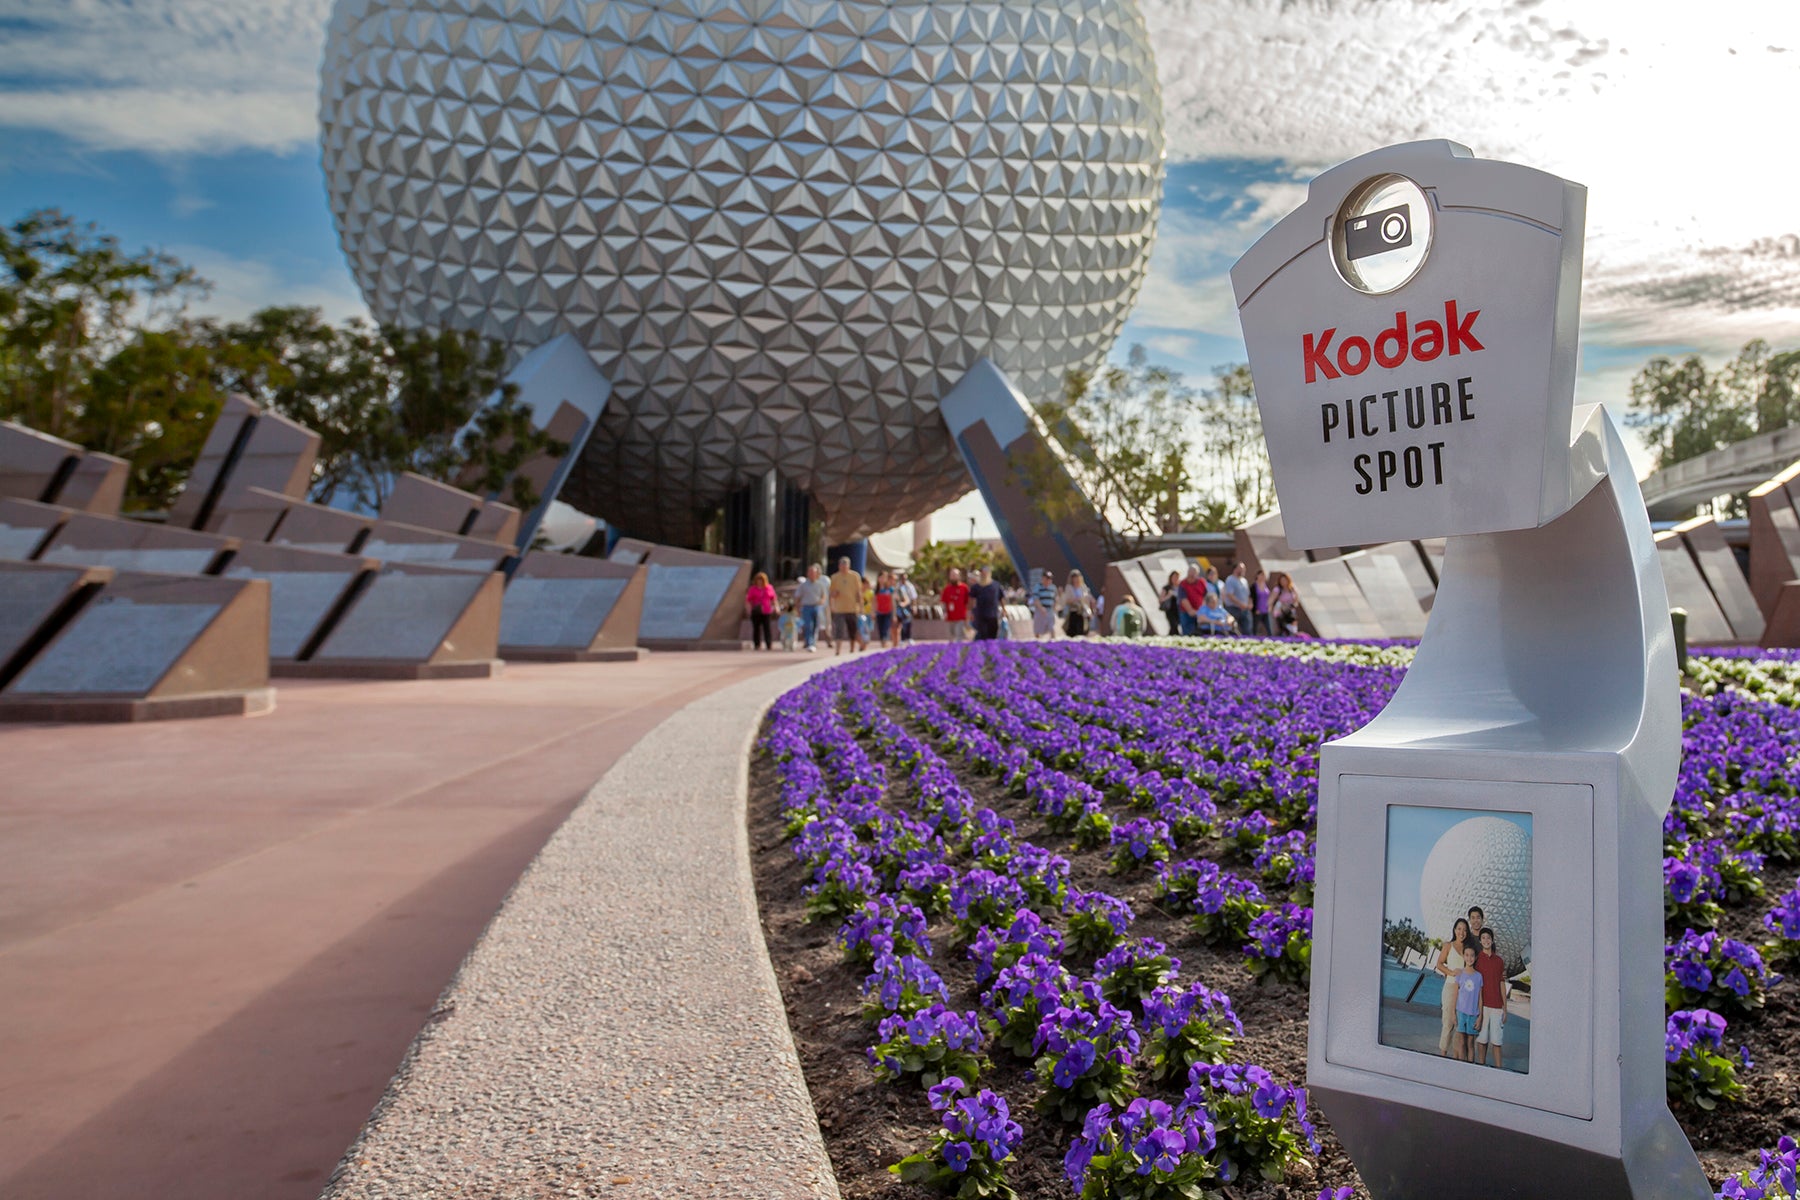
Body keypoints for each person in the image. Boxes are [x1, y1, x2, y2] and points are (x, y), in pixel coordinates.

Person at [1434, 917, 1476, 1056]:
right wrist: (1451, 972)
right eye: (1459, 929)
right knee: (1448, 1022)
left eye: (1464, 930)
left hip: (1464, 991)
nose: (1461, 932)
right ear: (1454, 930)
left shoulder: (1468, 949)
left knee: (1460, 1024)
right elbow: (1439, 964)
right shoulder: (1448, 946)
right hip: (1451, 987)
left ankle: (1457, 1057)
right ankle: (1443, 1054)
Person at [1474, 927, 1510, 1069]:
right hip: (1482, 1006)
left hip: (1496, 1007)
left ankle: (1498, 1069)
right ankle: (1481, 1067)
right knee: (1482, 1040)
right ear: (1480, 940)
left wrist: (1505, 1008)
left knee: (1497, 1041)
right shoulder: (1477, 960)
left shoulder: (1499, 961)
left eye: (1488, 938)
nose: (1486, 940)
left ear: (1492, 940)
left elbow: (1502, 984)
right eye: (1483, 938)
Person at [1453, 943, 1484, 1063]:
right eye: (1467, 955)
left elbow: (1480, 997)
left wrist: (1480, 1016)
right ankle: (1461, 1067)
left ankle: (1470, 1067)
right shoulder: (1460, 974)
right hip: (1461, 1013)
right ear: (1463, 956)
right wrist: (1453, 1013)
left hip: (1473, 1014)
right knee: (1461, 1042)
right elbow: (1455, 995)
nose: (1469, 958)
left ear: (1475, 957)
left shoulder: (1479, 976)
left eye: (1472, 955)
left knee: (1470, 1043)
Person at [828, 556, 864, 657]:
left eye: (845, 565)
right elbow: (831, 593)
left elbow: (859, 592)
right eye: (841, 565)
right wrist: (832, 601)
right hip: (839, 608)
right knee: (839, 629)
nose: (843, 567)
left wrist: (861, 606)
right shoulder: (834, 577)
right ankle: (838, 650)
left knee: (852, 629)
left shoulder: (855, 576)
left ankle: (852, 648)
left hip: (852, 608)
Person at [794, 563, 828, 652]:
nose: (812, 574)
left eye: (814, 572)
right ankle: (809, 643)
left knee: (816, 625)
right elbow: (797, 597)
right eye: (810, 572)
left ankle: (813, 642)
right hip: (806, 607)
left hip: (817, 607)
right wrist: (797, 608)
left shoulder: (820, 585)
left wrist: (822, 601)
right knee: (808, 625)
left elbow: (824, 595)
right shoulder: (803, 585)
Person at [969, 566, 1004, 640]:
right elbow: (971, 599)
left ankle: (991, 650)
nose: (984, 574)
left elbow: (1001, 598)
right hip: (980, 615)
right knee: (982, 635)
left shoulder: (996, 585)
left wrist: (1004, 609)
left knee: (992, 635)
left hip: (993, 615)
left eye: (986, 572)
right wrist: (971, 612)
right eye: (983, 573)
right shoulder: (976, 587)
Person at [745, 571, 777, 651]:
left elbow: (773, 598)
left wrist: (776, 607)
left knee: (767, 628)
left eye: (761, 580)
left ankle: (768, 644)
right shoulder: (753, 589)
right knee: (756, 628)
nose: (760, 582)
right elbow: (748, 600)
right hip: (756, 611)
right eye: (758, 580)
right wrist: (748, 609)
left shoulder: (769, 588)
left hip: (766, 610)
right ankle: (757, 644)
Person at [1059, 569, 1094, 638]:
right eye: (1074, 578)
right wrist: (1076, 599)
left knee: (1082, 632)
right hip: (1073, 611)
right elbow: (1067, 600)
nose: (1076, 579)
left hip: (1082, 612)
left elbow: (1087, 598)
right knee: (1072, 633)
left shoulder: (1083, 587)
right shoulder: (1069, 587)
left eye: (1077, 577)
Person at [1222, 563, 1253, 636]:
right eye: (1241, 569)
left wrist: (1250, 603)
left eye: (1244, 569)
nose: (1243, 571)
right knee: (1232, 630)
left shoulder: (1244, 581)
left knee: (1247, 630)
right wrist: (1240, 604)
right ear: (1235, 569)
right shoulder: (1230, 580)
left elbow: (1248, 594)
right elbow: (1230, 595)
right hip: (1233, 609)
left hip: (1244, 610)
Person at [941, 568, 970, 643]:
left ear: (959, 576)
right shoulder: (947, 588)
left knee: (958, 635)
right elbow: (943, 602)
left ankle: (958, 651)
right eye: (951, 575)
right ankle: (951, 652)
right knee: (951, 636)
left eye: (955, 575)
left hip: (961, 617)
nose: (953, 577)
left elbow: (968, 602)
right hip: (950, 617)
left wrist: (968, 614)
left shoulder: (964, 588)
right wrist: (944, 612)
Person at [1178, 565, 1208, 636]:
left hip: (1199, 612)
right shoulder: (1183, 584)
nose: (1191, 576)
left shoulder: (1202, 582)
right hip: (1186, 612)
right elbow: (1183, 599)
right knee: (1188, 633)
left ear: (1197, 574)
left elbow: (1205, 597)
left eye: (1193, 574)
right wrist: (1191, 611)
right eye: (1190, 574)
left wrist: (1202, 610)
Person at [1270, 571, 1300, 636]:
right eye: (1282, 580)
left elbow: (1296, 600)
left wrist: (1292, 605)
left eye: (1285, 580)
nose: (1283, 582)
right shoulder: (1278, 589)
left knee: (1293, 627)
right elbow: (1271, 600)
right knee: (1282, 627)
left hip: (1290, 611)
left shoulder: (1292, 589)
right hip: (1281, 611)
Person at [1030, 569, 1058, 639]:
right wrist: (1041, 608)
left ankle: (1053, 640)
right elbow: (1036, 599)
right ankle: (1037, 641)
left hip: (1050, 610)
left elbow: (1055, 599)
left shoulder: (1053, 588)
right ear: (1043, 578)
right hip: (1040, 610)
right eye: (1047, 578)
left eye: (1050, 579)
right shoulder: (1038, 587)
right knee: (1038, 628)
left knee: (1052, 626)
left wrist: (1054, 609)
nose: (1048, 580)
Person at [873, 570, 898, 647]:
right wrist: (873, 612)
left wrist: (894, 615)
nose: (883, 579)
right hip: (879, 612)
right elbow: (874, 602)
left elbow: (892, 602)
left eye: (885, 577)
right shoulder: (876, 589)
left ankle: (885, 643)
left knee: (885, 628)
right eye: (881, 577)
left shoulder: (890, 589)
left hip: (888, 612)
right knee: (880, 629)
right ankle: (883, 643)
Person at [1158, 570, 1183, 637]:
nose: (1175, 579)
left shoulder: (1180, 588)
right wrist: (1168, 595)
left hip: (1179, 609)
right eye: (1174, 577)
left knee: (1177, 625)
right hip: (1170, 610)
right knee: (1173, 624)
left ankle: (1171, 638)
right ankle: (1175, 637)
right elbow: (1161, 600)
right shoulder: (1167, 588)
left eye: (1177, 577)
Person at [895, 570, 918, 642]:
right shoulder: (897, 586)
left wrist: (914, 606)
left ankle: (909, 637)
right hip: (899, 607)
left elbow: (914, 597)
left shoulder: (909, 586)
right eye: (902, 578)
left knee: (908, 622)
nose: (903, 580)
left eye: (905, 578)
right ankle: (902, 638)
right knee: (900, 623)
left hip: (908, 607)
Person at [1251, 569, 1272, 637]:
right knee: (1255, 628)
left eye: (1264, 575)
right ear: (1257, 575)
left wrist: (1269, 606)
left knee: (1269, 629)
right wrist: (1255, 609)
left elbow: (1268, 597)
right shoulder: (1254, 586)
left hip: (1265, 610)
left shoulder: (1265, 586)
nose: (1263, 577)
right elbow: (1252, 598)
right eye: (1261, 575)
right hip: (1257, 611)